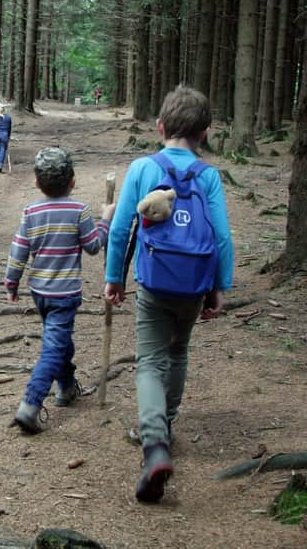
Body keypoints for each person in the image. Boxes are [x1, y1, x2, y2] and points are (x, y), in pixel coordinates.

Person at [104, 85, 234, 503]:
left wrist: (114, 278)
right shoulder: (208, 175)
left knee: (150, 361)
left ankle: (155, 443)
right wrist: (219, 287)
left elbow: (123, 228)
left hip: (154, 283)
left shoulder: (143, 168)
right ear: (205, 132)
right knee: (178, 353)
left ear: (159, 127)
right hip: (194, 285)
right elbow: (222, 238)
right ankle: (168, 423)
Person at [5, 147, 115, 434]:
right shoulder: (79, 211)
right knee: (54, 347)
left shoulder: (31, 212)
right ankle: (30, 404)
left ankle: (66, 388)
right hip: (64, 295)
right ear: (73, 181)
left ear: (37, 182)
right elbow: (93, 246)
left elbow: (19, 251)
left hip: (39, 293)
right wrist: (106, 220)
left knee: (60, 343)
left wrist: (11, 283)